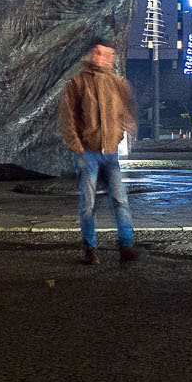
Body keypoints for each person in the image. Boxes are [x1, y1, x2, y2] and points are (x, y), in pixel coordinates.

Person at [61, 41, 138, 266]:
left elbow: (126, 113)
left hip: (110, 153)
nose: (107, 58)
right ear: (93, 53)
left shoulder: (117, 83)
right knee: (88, 204)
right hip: (88, 153)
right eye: (103, 53)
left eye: (110, 54)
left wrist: (119, 135)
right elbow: (68, 118)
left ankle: (126, 246)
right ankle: (90, 248)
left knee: (120, 200)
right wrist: (77, 145)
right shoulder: (77, 83)